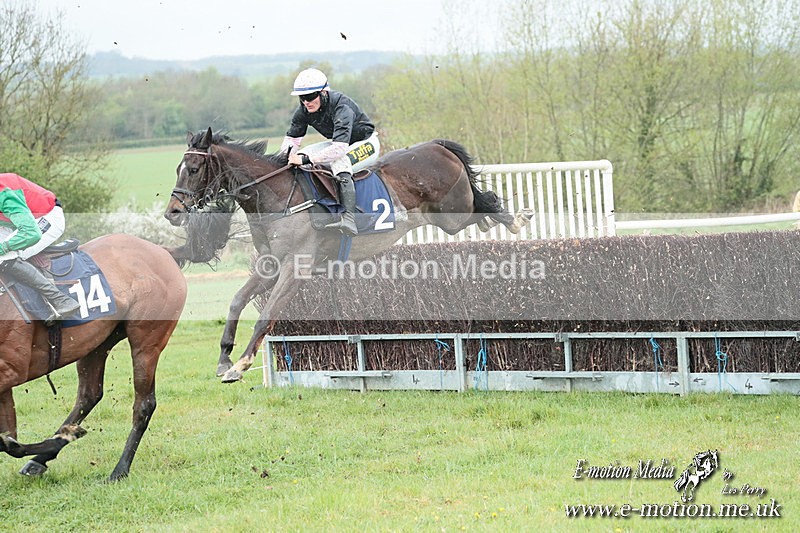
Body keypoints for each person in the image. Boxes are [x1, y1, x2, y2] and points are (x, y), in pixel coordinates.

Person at [280, 68, 380, 236]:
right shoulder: (303, 111)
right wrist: (283, 159)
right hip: (340, 142)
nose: (306, 102)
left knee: (338, 161)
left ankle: (349, 217)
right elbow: (292, 141)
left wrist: (306, 160)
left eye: (310, 97)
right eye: (302, 98)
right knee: (302, 153)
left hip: (366, 143)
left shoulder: (342, 107)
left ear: (324, 93)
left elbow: (339, 149)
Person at [0, 173, 80, 323]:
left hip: (46, 217)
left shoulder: (4, 195)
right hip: (15, 221)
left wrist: (2, 248)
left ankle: (61, 300)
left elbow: (31, 233)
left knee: (4, 255)